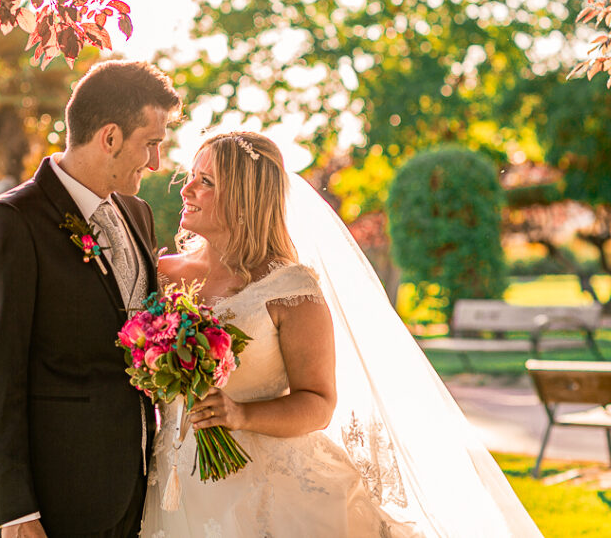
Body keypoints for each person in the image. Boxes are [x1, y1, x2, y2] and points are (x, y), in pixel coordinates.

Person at [140, 132, 543, 537]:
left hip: (268, 493)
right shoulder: (161, 273)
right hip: (173, 477)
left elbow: (318, 402)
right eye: (192, 176)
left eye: (206, 181)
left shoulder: (289, 289)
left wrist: (241, 415)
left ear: (245, 197)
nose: (187, 189)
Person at [0, 60, 181, 538]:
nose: (156, 162)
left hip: (142, 488)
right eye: (151, 144)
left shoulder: (138, 213)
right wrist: (15, 513)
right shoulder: (11, 223)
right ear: (110, 137)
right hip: (61, 501)